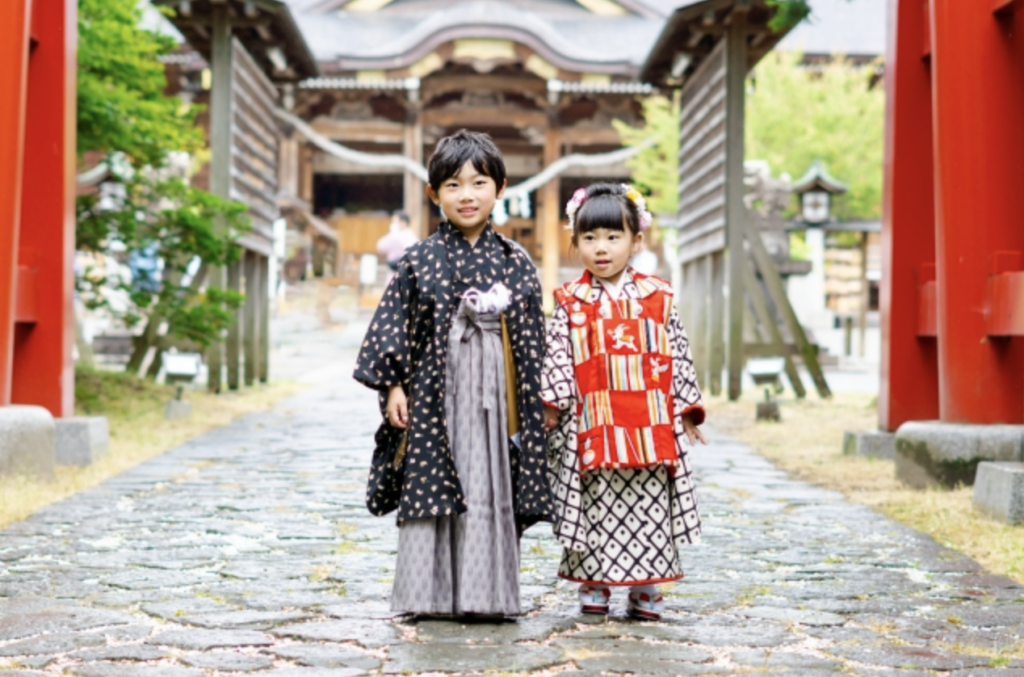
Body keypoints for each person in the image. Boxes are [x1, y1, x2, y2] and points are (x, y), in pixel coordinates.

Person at [353, 130, 552, 618]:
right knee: (430, 477)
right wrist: (394, 384)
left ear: (500, 188)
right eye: (454, 185)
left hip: (498, 393)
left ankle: (488, 596)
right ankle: (428, 595)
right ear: (433, 194)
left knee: (491, 481)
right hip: (434, 389)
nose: (467, 195)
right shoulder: (418, 259)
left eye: (479, 182)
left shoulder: (515, 260)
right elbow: (393, 324)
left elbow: (533, 334)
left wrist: (538, 398)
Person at [541, 183, 706, 621]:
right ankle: (594, 583)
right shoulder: (569, 301)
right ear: (574, 242)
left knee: (648, 501)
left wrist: (686, 408)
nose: (602, 248)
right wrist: (552, 404)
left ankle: (646, 584)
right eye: (590, 237)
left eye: (614, 237)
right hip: (591, 416)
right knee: (595, 500)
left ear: (637, 241)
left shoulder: (658, 296)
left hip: (650, 418)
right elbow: (557, 354)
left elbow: (678, 352)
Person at [376, 211, 418, 282]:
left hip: (399, 273)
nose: (392, 224)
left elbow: (380, 246)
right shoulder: (411, 236)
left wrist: (393, 234)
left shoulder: (400, 236)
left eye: (395, 222)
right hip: (402, 274)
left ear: (403, 223)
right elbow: (380, 247)